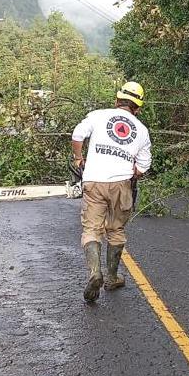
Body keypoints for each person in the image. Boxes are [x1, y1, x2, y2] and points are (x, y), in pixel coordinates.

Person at [71, 81, 152, 303]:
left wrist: (79, 158)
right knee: (115, 230)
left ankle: (94, 272)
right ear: (137, 108)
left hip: (94, 180)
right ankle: (112, 277)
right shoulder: (142, 131)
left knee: (91, 229)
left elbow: (78, 136)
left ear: (117, 100)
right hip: (121, 184)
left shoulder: (98, 115)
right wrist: (130, 171)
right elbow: (142, 168)